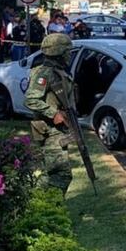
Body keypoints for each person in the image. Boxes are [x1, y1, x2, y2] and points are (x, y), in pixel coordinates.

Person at [24, 33, 77, 194]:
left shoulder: (58, 72)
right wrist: (53, 113)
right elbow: (30, 99)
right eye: (67, 51)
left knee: (56, 174)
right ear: (58, 52)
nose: (69, 55)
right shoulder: (44, 73)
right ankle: (44, 206)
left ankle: (44, 206)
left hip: (59, 130)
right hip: (50, 130)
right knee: (60, 174)